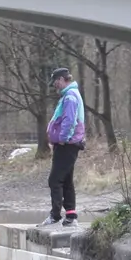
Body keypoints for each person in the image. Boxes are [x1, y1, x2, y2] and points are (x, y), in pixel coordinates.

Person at [40, 67, 85, 227]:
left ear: (61, 79)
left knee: (55, 180)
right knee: (66, 180)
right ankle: (71, 216)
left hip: (67, 144)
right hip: (68, 145)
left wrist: (62, 139)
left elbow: (69, 121)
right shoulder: (69, 95)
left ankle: (55, 215)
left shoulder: (70, 97)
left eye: (55, 82)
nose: (55, 86)